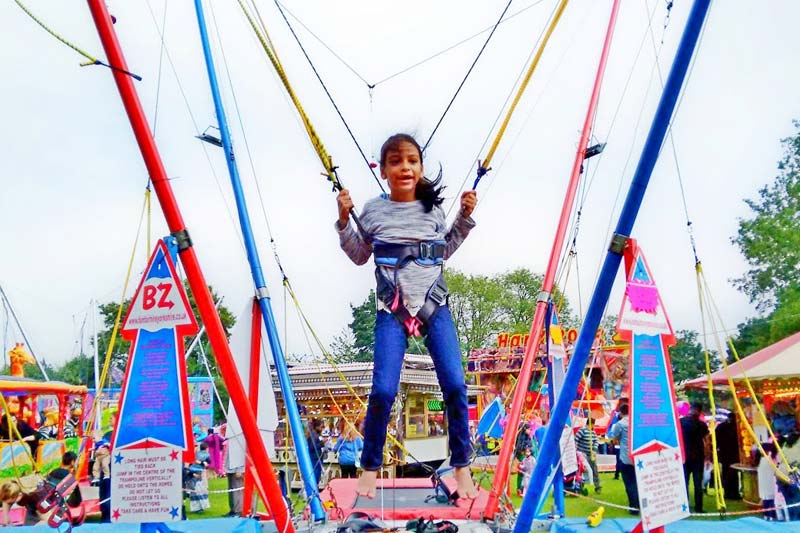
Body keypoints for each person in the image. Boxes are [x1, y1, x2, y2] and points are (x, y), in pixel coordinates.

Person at [335, 133, 478, 500]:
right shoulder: (373, 211)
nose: (405, 168)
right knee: (383, 390)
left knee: (456, 386)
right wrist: (344, 219)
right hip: (392, 310)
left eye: (412, 161)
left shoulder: (432, 211)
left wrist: (464, 216)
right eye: (396, 162)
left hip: (434, 305)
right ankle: (369, 467)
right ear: (383, 171)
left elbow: (444, 249)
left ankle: (462, 465)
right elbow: (358, 255)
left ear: (421, 168)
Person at [609, 403, 638, 514]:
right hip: (637, 456)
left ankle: (633, 507)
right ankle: (640, 504)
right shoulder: (636, 422)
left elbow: (615, 438)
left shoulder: (619, 424)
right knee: (637, 482)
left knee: (629, 483)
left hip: (625, 457)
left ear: (621, 412)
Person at [680, 402, 709, 513]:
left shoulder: (681, 422)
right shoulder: (702, 425)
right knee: (698, 483)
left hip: (684, 457)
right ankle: (698, 507)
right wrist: (707, 456)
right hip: (698, 457)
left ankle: (684, 506)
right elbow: (706, 442)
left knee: (684, 483)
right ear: (699, 412)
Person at [716, 412, 741, 499]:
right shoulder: (735, 427)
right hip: (731, 453)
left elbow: (716, 440)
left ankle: (728, 493)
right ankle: (733, 493)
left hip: (725, 454)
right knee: (732, 473)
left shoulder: (721, 426)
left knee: (727, 473)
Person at [575, 417, 601, 493]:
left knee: (594, 470)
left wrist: (594, 449)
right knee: (582, 470)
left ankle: (597, 486)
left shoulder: (593, 432)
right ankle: (580, 485)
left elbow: (596, 441)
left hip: (591, 454)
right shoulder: (582, 431)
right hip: (582, 455)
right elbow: (576, 440)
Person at [757, 442, 778, 521]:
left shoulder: (760, 460)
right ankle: (772, 515)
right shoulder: (771, 459)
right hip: (770, 482)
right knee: (771, 500)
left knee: (766, 499)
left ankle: (766, 515)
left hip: (763, 483)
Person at [188, 443, 211, 513]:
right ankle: (200, 507)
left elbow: (190, 463)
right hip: (200, 473)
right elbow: (207, 463)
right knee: (200, 489)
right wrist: (200, 463)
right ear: (207, 448)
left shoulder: (196, 454)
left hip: (191, 473)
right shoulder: (207, 455)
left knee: (194, 490)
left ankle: (195, 508)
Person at [514, 423, 533, 496]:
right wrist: (525, 450)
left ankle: (524, 488)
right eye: (528, 429)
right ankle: (520, 488)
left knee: (527, 472)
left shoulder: (528, 437)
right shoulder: (520, 438)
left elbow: (531, 446)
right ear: (524, 429)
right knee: (522, 472)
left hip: (527, 455)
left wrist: (529, 450)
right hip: (522, 456)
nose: (529, 430)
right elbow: (518, 448)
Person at [307, 418, 325, 486]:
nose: (322, 428)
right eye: (321, 427)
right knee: (315, 475)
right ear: (317, 427)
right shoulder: (313, 435)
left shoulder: (316, 435)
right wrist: (322, 443)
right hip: (315, 458)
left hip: (317, 457)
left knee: (317, 475)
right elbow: (312, 447)